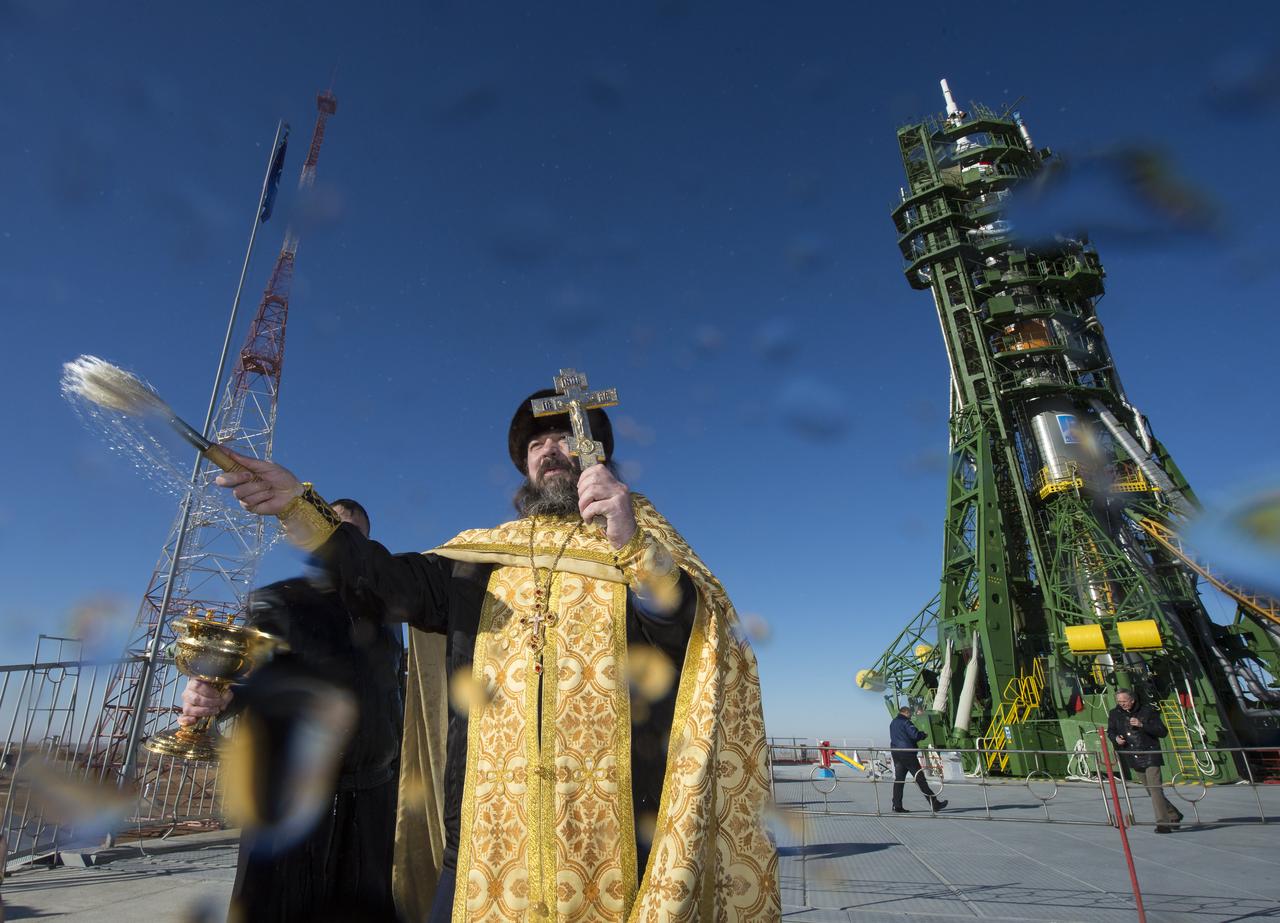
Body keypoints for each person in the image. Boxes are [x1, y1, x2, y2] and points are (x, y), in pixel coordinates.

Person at [209, 387, 779, 923]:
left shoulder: (639, 543)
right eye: (535, 444)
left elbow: (688, 635)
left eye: (561, 438)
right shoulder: (478, 559)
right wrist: (301, 508)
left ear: (595, 454)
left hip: (617, 828)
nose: (549, 450)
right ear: (524, 466)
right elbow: (382, 579)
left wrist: (633, 548)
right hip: (486, 833)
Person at [180, 499, 404, 922]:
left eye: (353, 534)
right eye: (333, 529)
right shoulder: (278, 602)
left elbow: (395, 689)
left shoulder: (389, 616)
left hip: (373, 795)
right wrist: (216, 697)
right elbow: (246, 681)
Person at [1107, 688, 1182, 833]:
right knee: (1150, 790)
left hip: (1150, 752)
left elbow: (1162, 731)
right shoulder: (1114, 714)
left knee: (1155, 788)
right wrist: (1116, 739)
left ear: (1132, 700)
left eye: (1124, 701)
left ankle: (1163, 823)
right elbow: (1111, 731)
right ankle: (1173, 814)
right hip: (1132, 754)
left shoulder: (1147, 711)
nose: (1122, 704)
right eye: (1119, 702)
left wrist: (1142, 725)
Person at [888, 706, 947, 814]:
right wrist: (923, 734)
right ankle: (935, 804)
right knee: (920, 779)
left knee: (899, 780)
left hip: (896, 754)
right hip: (908, 754)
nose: (911, 715)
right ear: (906, 712)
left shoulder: (893, 722)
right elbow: (914, 735)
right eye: (910, 713)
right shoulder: (906, 722)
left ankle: (897, 805)